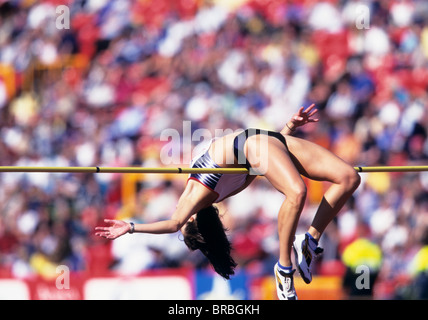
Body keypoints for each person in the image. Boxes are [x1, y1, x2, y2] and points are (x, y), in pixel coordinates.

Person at [95, 104, 361, 300]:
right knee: (298, 192)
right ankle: (284, 268)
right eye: (188, 218)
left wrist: (289, 128)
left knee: (349, 178)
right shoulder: (197, 193)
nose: (184, 214)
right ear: (194, 219)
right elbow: (174, 223)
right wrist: (130, 227)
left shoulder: (212, 188)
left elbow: (264, 158)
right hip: (259, 143)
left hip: (267, 141)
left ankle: (309, 239)